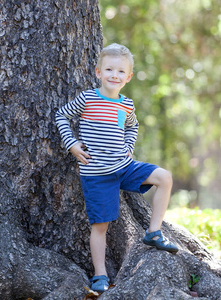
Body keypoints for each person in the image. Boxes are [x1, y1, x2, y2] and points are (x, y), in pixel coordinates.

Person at [55, 43, 178, 293]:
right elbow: (61, 115)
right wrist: (72, 144)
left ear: (128, 77)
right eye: (109, 69)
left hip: (124, 166)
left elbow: (133, 126)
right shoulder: (88, 98)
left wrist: (129, 145)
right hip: (97, 173)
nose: (114, 75)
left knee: (164, 177)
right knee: (101, 225)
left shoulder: (126, 105)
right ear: (98, 72)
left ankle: (154, 231)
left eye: (121, 71)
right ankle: (100, 274)